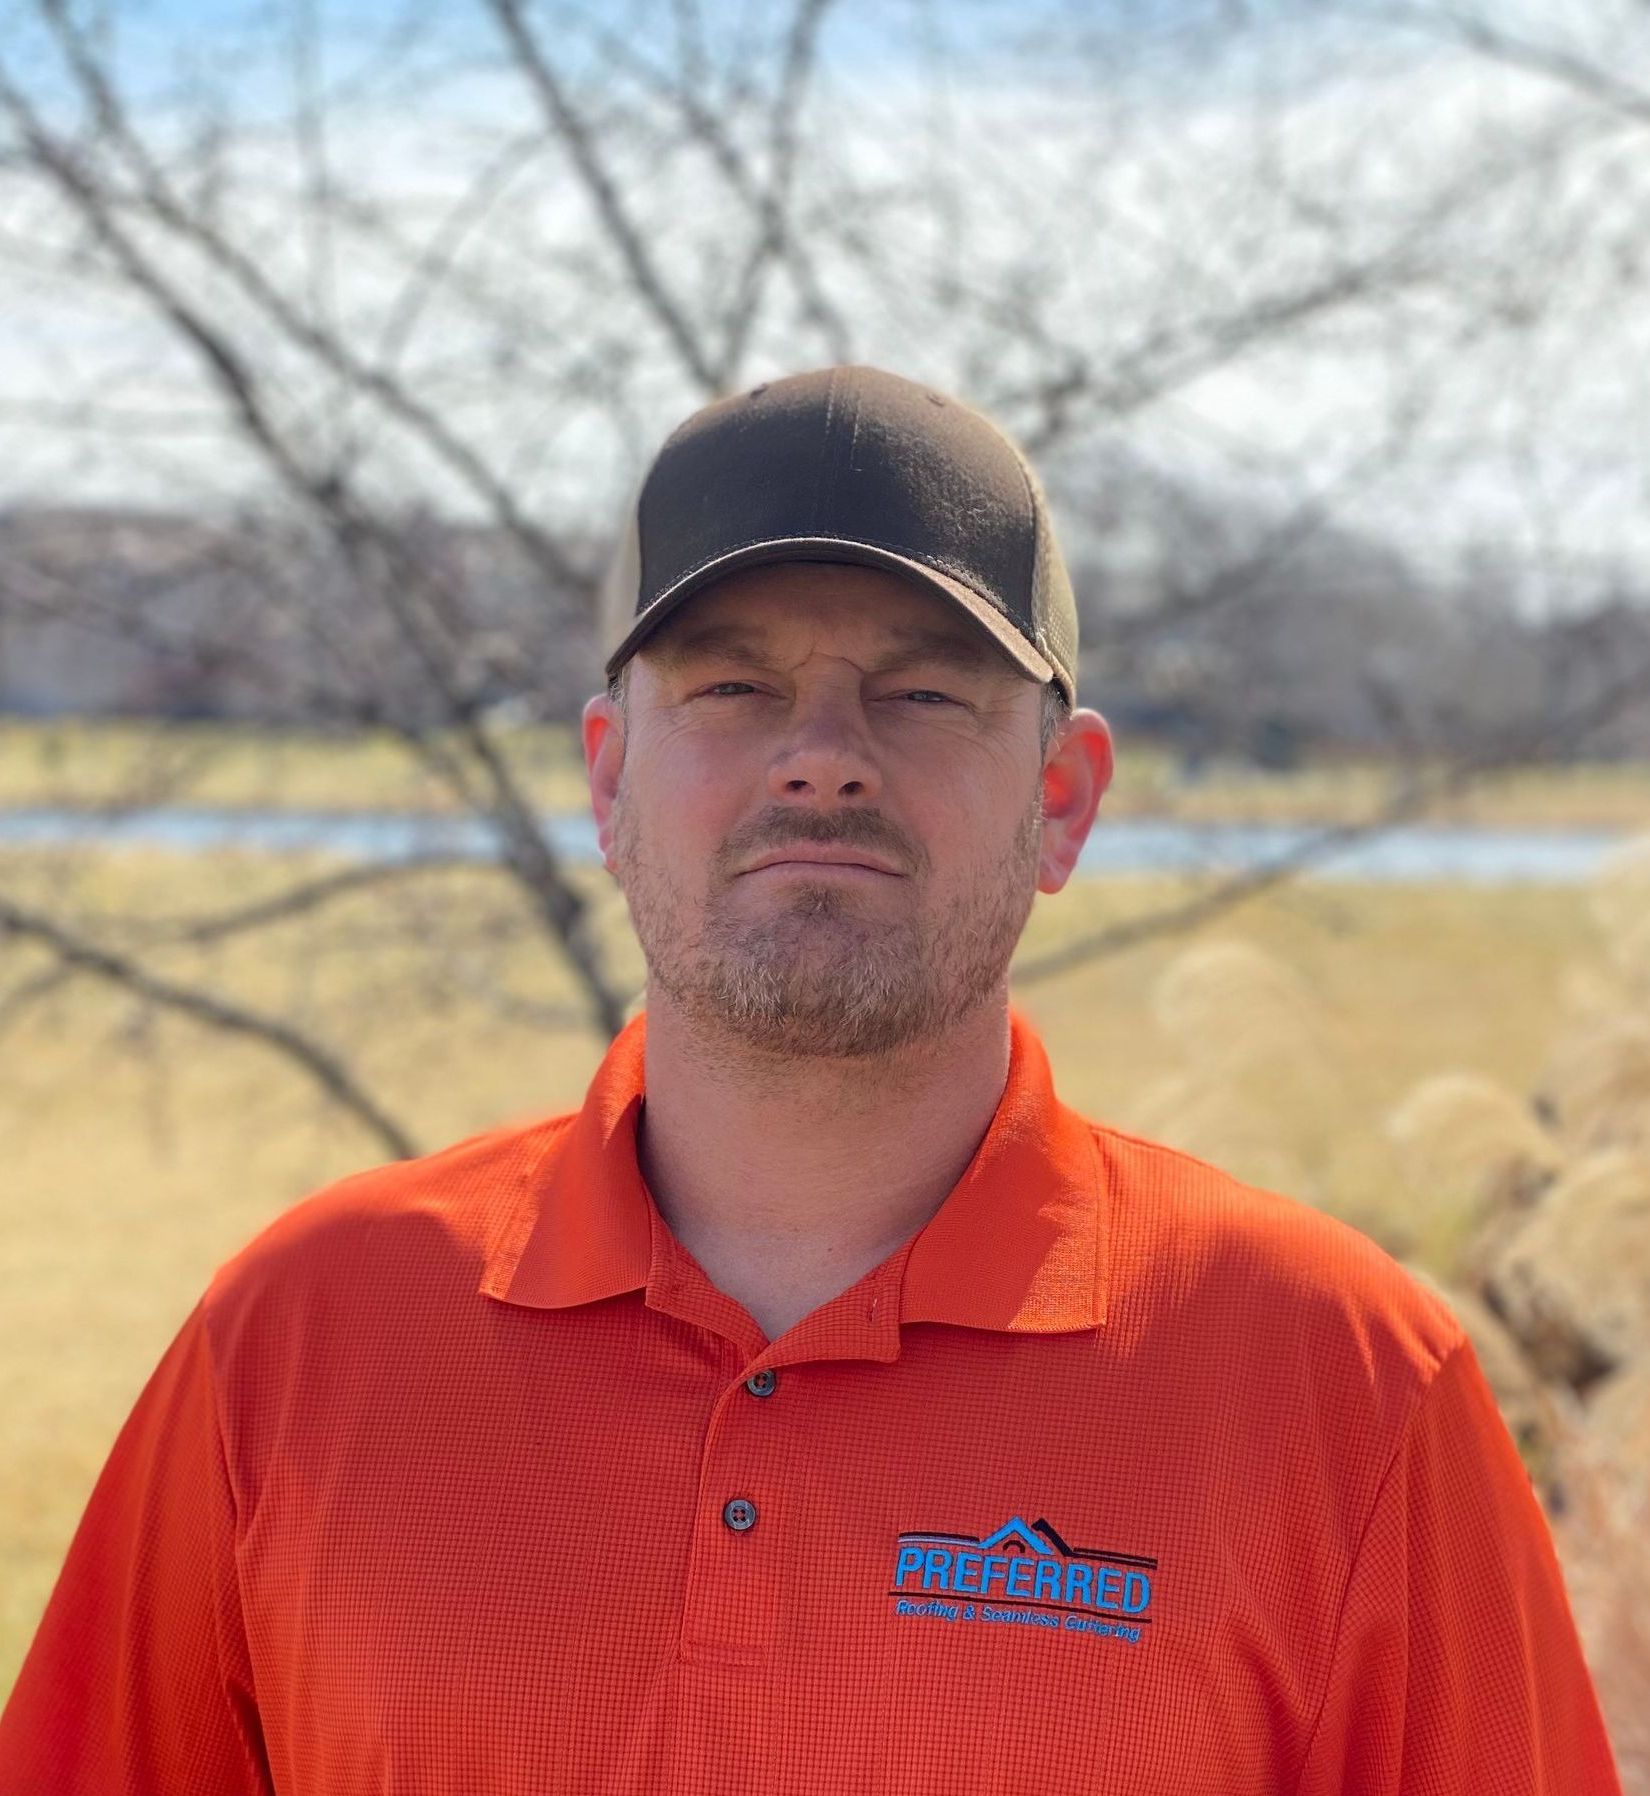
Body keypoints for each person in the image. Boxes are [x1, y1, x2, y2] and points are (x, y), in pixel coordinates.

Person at [0, 365, 1622, 1793]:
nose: (823, 756)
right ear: (608, 779)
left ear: (1062, 799)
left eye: (920, 692)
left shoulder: (1335, 1379)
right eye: (733, 687)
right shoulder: (302, 1337)